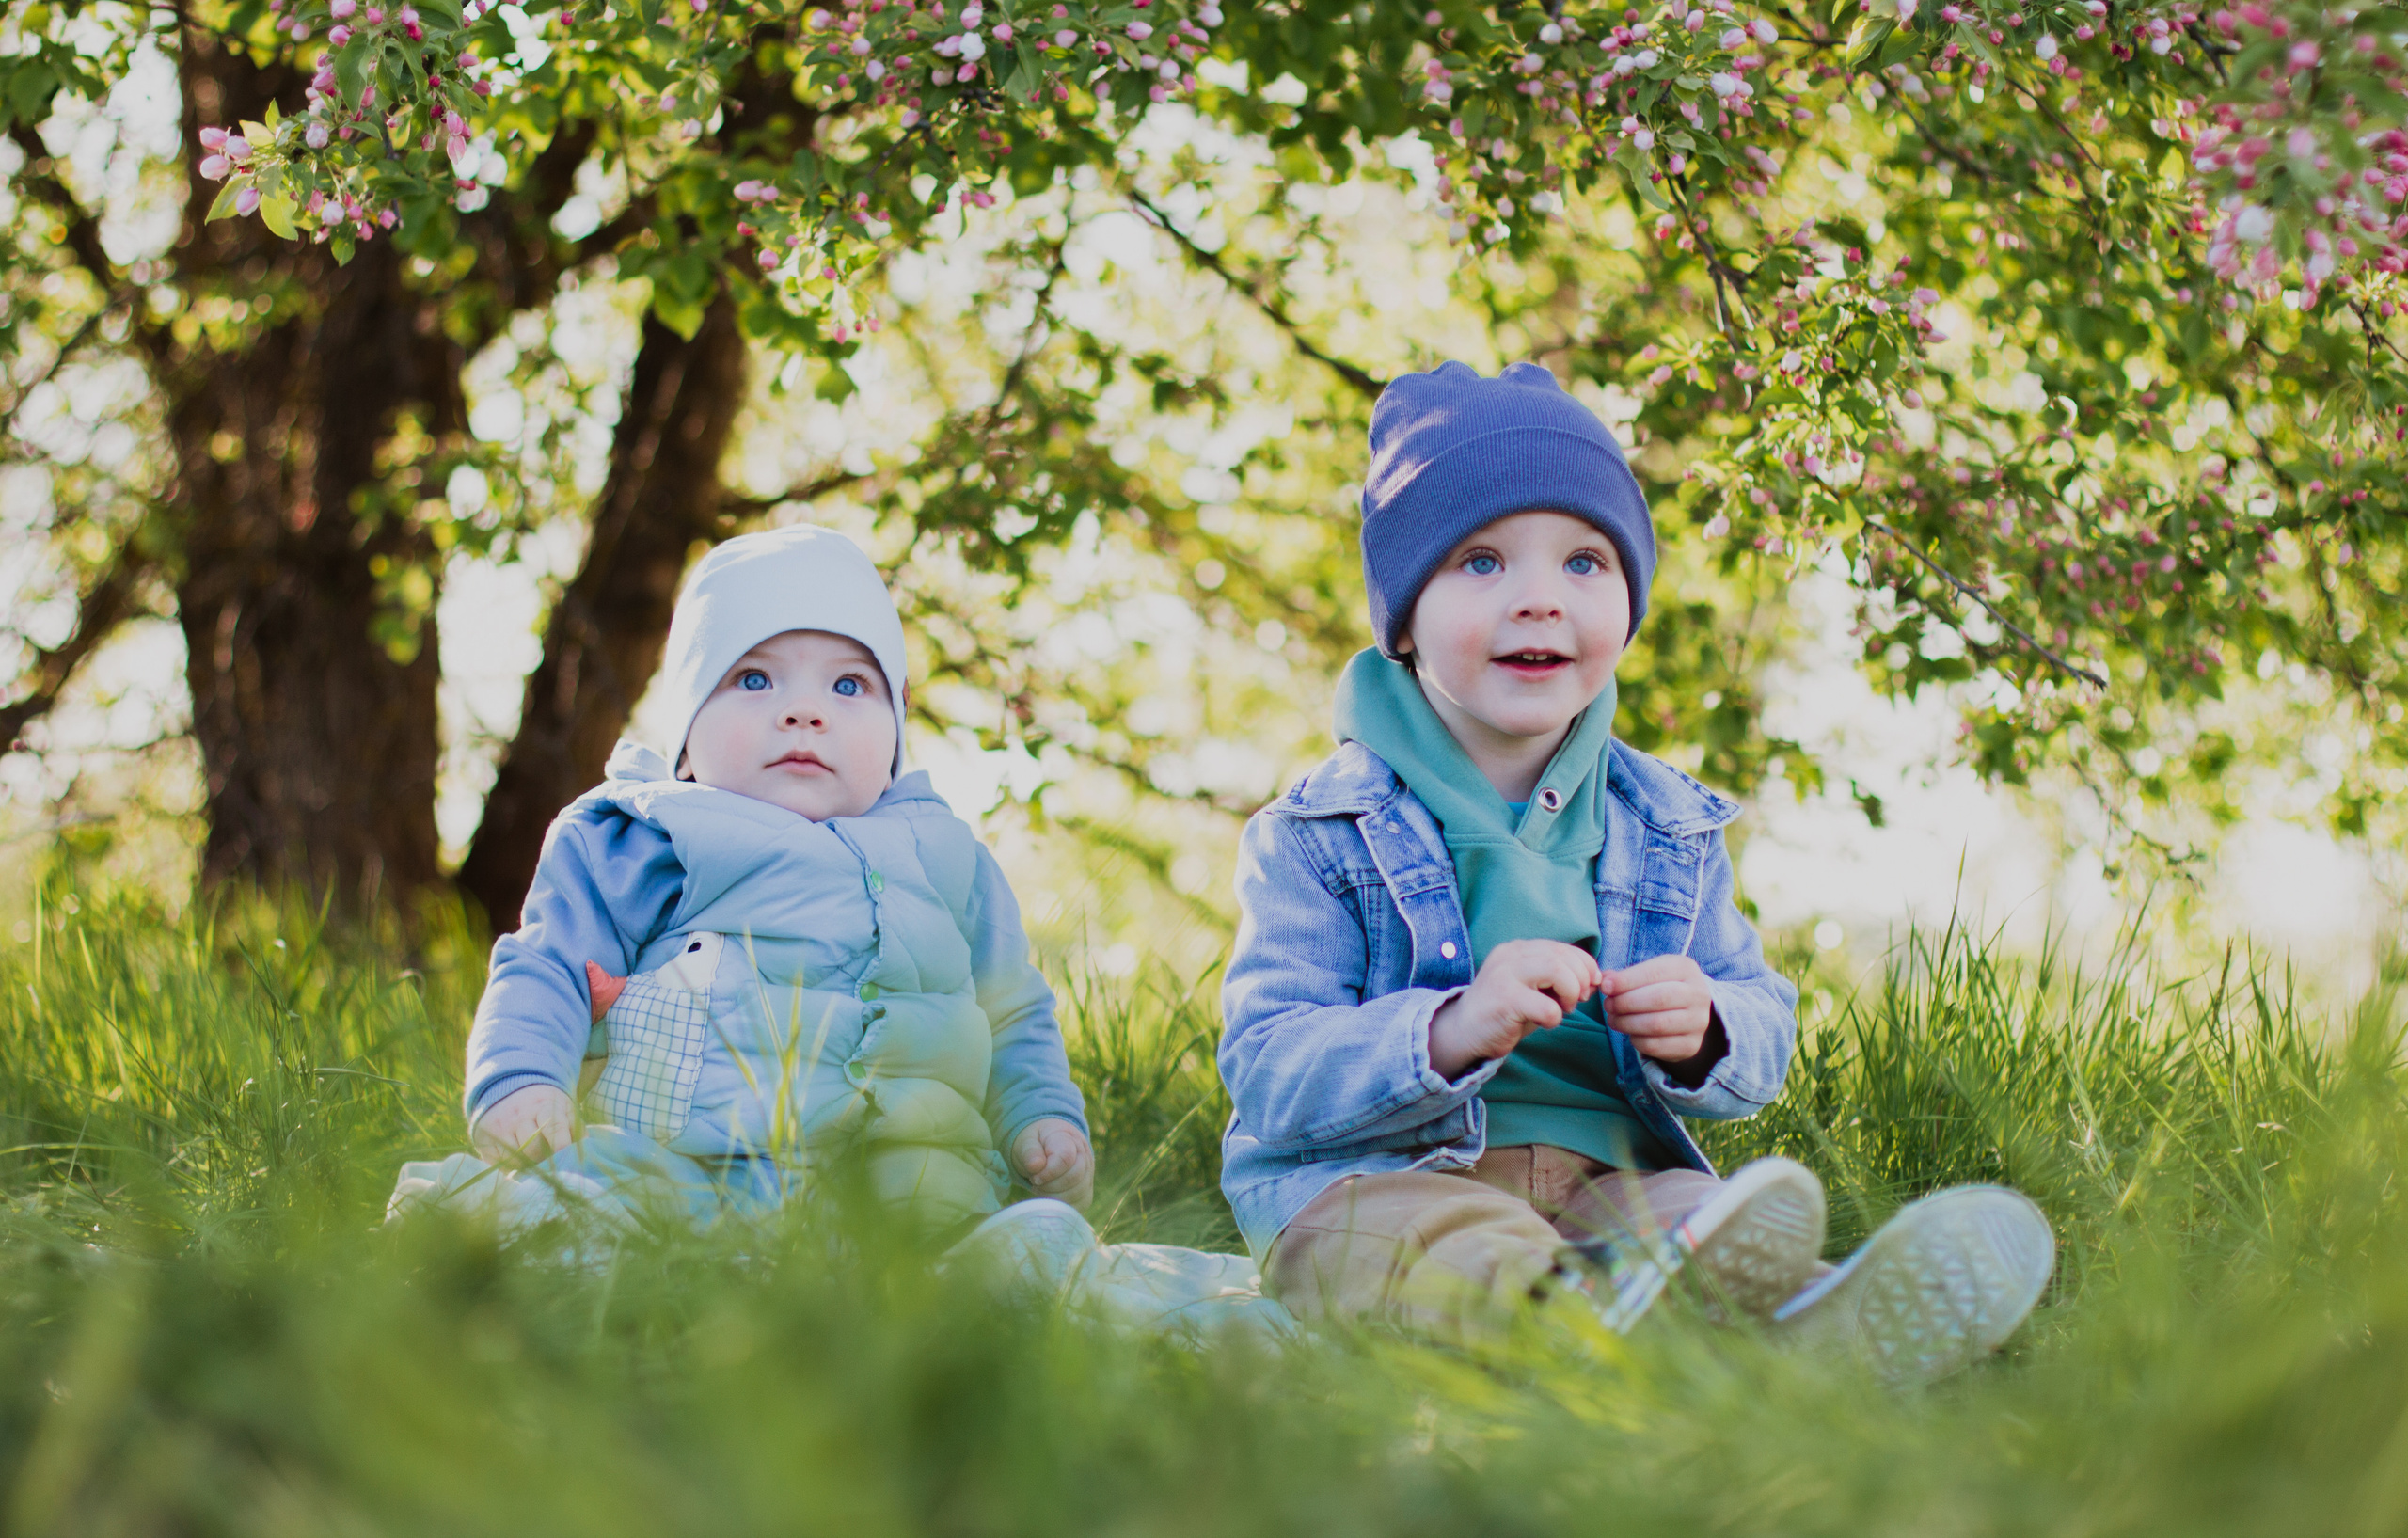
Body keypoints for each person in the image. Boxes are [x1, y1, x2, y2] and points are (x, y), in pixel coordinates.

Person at [1216, 361, 2052, 1383]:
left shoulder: (1667, 824)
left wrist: (1706, 1029)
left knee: (1698, 1216)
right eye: (1480, 561)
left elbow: (1762, 1021)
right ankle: (1593, 1330)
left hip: (1608, 1177)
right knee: (1455, 1252)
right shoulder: (1317, 831)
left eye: (1585, 561)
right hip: (1382, 1185)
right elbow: (1267, 1068)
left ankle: (1808, 1317)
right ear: (1403, 615)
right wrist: (1449, 1028)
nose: (1539, 600)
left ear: (1628, 600)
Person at [454, 524, 1093, 1237]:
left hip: (905, 1186)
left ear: (896, 726)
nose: (805, 712)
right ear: (686, 737)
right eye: (754, 679)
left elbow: (1011, 1010)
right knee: (576, 1208)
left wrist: (1041, 1115)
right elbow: (550, 963)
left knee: (1021, 1237)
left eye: (849, 684)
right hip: (682, 1171)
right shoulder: (648, 834)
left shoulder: (946, 859)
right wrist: (522, 1075)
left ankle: (983, 1264)